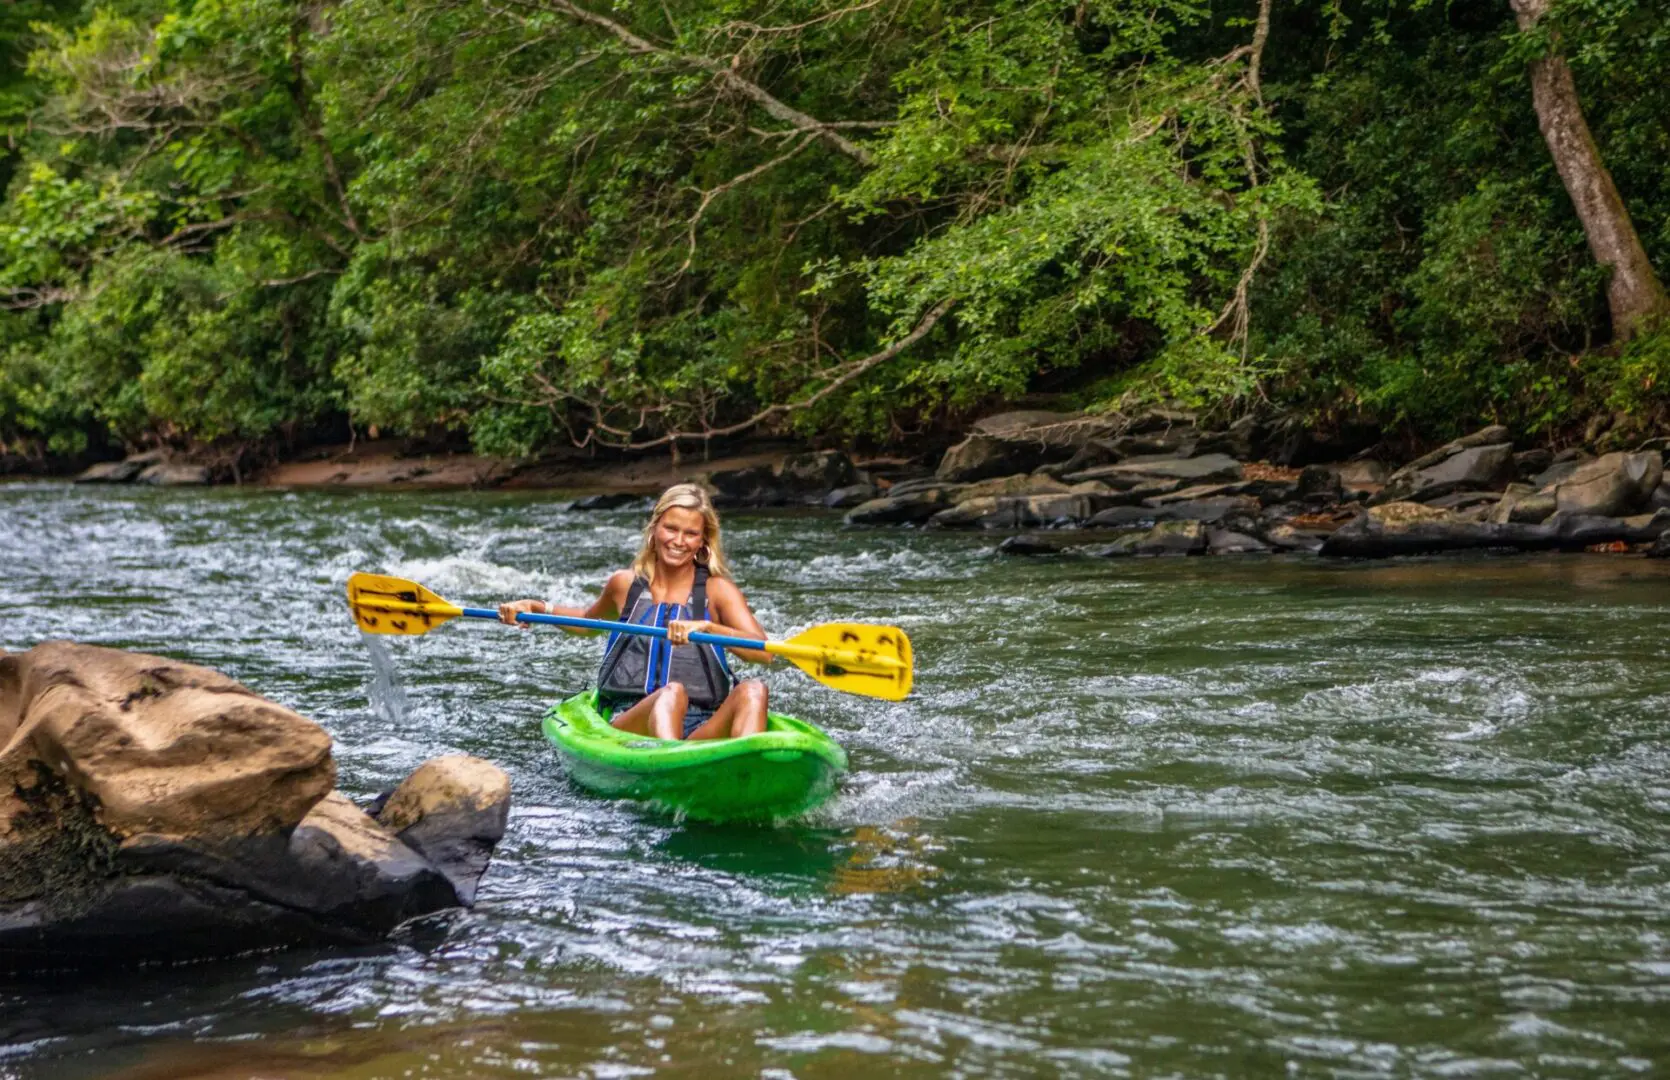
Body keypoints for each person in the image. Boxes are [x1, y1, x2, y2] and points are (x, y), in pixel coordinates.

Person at [498, 483, 773, 740]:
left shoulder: (718, 590)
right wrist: (537, 607)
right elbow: (586, 622)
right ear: (654, 530)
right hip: (631, 720)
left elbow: (763, 653)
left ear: (703, 541)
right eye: (671, 528)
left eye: (690, 534)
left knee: (753, 691)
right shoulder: (625, 584)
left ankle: (745, 774)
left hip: (699, 726)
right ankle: (671, 767)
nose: (678, 541)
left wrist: (709, 628)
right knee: (672, 693)